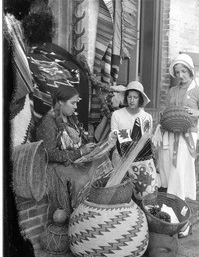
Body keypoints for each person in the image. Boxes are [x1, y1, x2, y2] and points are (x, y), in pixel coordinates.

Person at [153, 53, 199, 238]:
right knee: (168, 175)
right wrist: (158, 129)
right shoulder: (172, 91)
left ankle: (183, 222)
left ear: (190, 70)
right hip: (169, 135)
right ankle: (169, 218)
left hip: (186, 139)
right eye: (178, 72)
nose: (181, 75)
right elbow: (166, 113)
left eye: (184, 71)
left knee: (180, 178)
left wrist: (197, 113)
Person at [36, 86, 99, 219]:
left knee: (101, 163)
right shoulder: (47, 123)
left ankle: (98, 209)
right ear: (60, 102)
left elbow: (78, 141)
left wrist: (90, 148)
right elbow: (50, 154)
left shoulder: (70, 118)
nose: (75, 107)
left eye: (76, 103)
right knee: (82, 180)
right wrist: (80, 152)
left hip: (74, 160)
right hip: (57, 166)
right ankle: (81, 217)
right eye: (73, 103)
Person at [110, 81, 161, 201]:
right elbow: (113, 136)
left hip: (141, 157)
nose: (132, 100)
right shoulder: (117, 114)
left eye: (135, 97)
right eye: (129, 97)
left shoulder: (146, 117)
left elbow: (146, 140)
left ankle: (143, 210)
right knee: (122, 190)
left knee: (147, 188)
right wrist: (126, 137)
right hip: (121, 154)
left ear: (140, 99)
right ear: (126, 97)